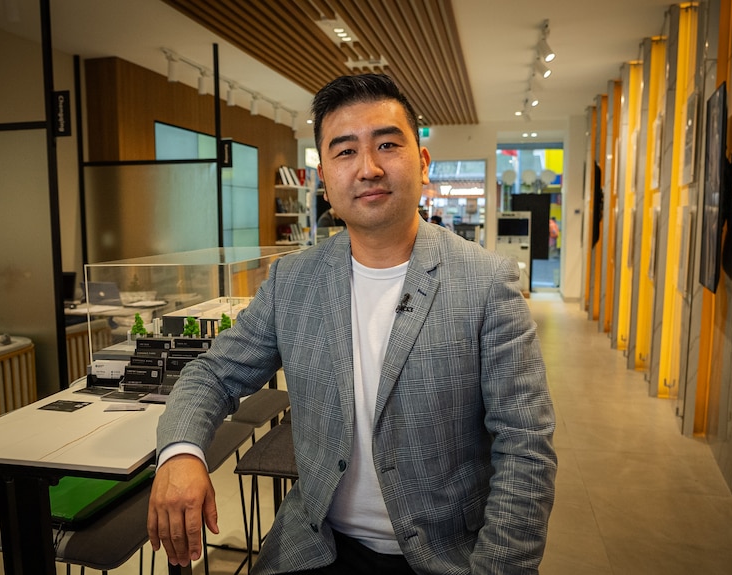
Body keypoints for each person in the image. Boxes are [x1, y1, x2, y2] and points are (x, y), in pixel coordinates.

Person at [147, 74, 557, 574]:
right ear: (324, 179)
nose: (368, 168)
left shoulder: (486, 282)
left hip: (445, 554)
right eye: (344, 152)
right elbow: (212, 374)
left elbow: (525, 450)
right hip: (318, 544)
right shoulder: (294, 280)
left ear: (422, 163)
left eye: (387, 144)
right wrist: (181, 452)